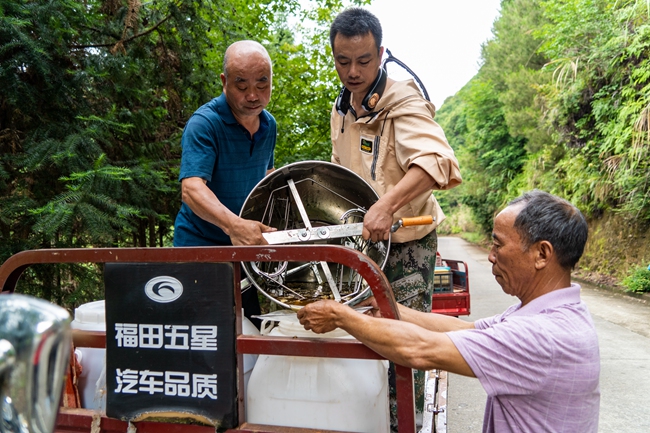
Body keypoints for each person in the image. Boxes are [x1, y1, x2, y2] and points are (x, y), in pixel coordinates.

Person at [298, 190, 601, 433]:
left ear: (542, 254)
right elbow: (465, 331)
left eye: (498, 245)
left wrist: (341, 316)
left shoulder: (543, 336)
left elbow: (420, 350)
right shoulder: (550, 314)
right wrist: (387, 305)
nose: (491, 257)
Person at [328, 7, 462, 428]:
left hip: (408, 245)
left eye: (364, 61)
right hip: (365, 245)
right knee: (364, 332)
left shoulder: (403, 101)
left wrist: (387, 206)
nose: (353, 71)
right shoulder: (342, 108)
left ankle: (407, 421)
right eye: (343, 61)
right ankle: (364, 419)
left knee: (404, 342)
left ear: (381, 53)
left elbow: (438, 162)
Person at [173, 40, 277, 328]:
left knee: (251, 333)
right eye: (242, 86)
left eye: (262, 83)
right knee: (201, 336)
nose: (253, 95)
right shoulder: (204, 123)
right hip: (199, 250)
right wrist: (234, 226)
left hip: (244, 252)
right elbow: (192, 189)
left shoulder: (269, 125)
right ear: (224, 81)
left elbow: (267, 177)